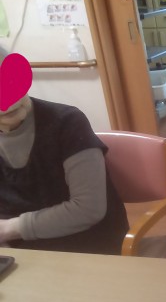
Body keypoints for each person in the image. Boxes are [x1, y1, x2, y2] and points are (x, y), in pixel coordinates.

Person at [0, 47, 129, 254]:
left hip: (86, 243)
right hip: (19, 246)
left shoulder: (67, 122)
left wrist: (8, 230)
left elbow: (87, 209)